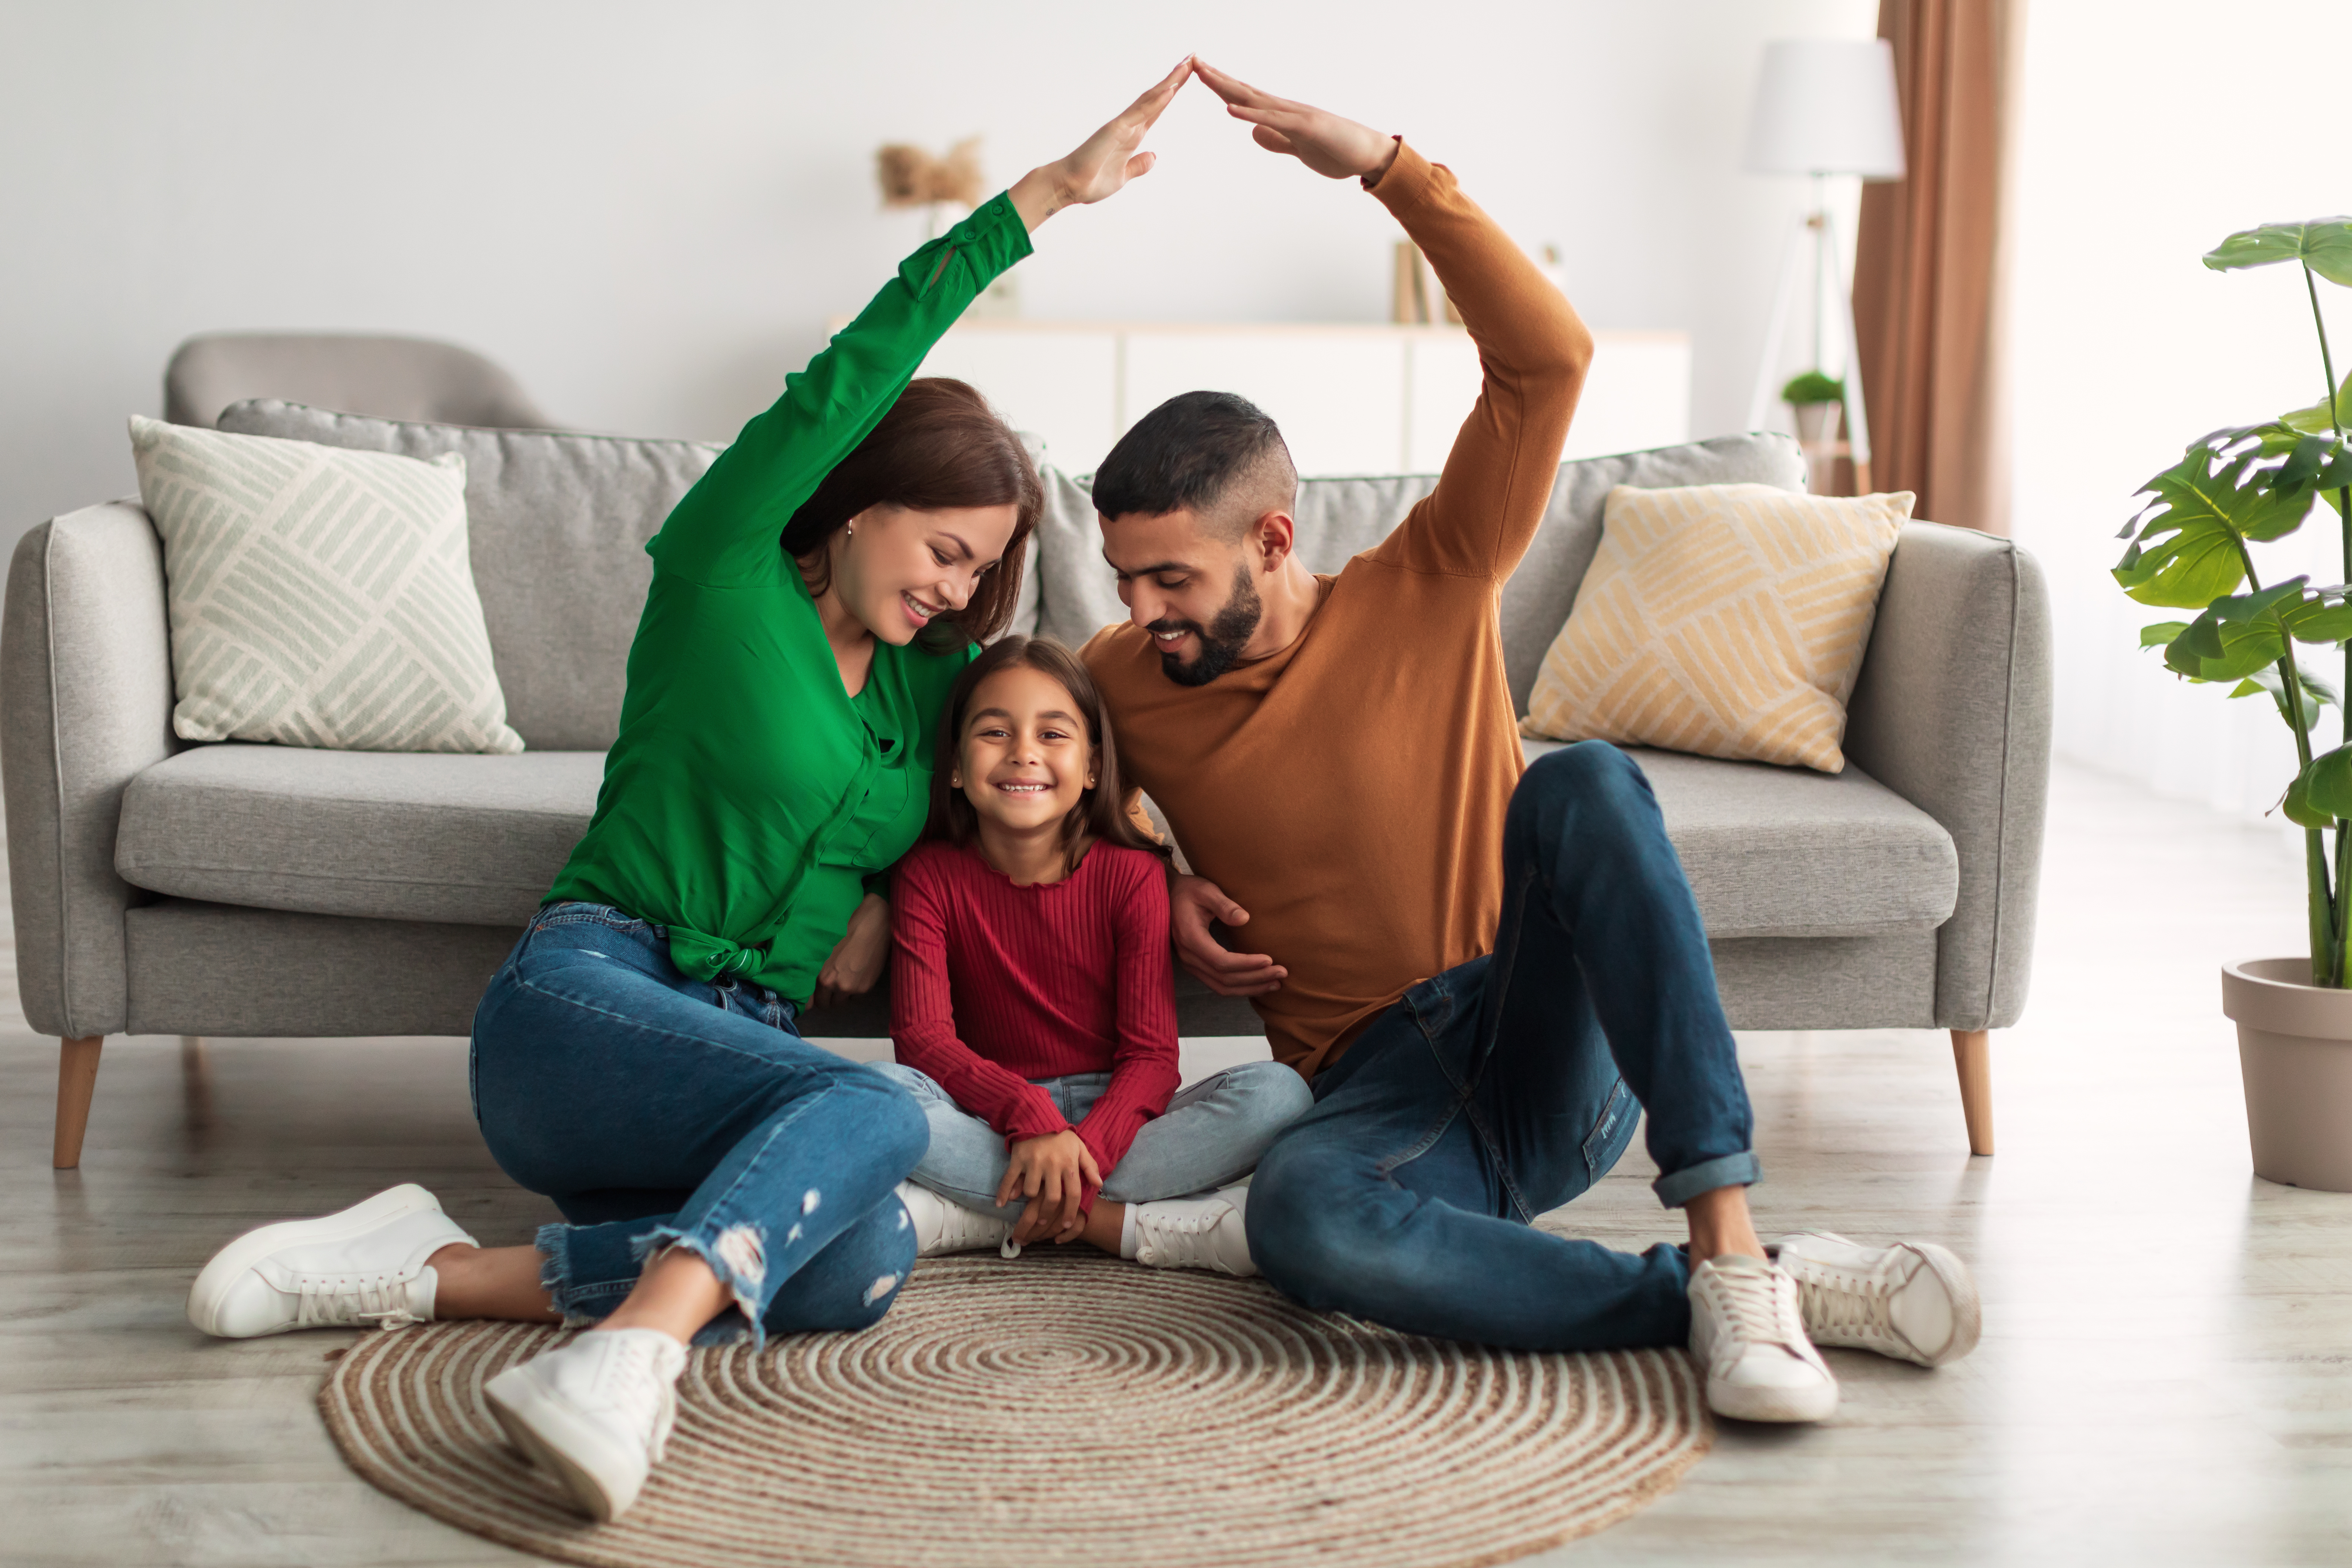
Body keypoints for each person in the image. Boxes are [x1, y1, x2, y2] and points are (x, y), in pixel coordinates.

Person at [180, 60, 1198, 1521]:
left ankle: (433, 1271)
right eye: (940, 546)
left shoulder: (927, 697)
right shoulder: (725, 572)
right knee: (893, 1126)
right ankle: (620, 1367)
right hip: (590, 1001)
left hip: (750, 1056)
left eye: (981, 568)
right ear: (853, 498)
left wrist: (1139, 878)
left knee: (854, 1265)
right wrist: (1039, 200)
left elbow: (1062, 744)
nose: (954, 586)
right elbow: (853, 364)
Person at [1079, 61, 1981, 1426]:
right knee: (1301, 1224)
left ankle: (1728, 1238)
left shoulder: (1430, 575)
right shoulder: (1122, 678)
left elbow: (1547, 357)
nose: (1139, 613)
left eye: (1168, 581)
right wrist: (1151, 879)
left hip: (1535, 1020)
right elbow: (1021, 791)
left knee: (1580, 780)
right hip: (1379, 1093)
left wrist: (1388, 167)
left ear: (1271, 539)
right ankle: (1726, 1289)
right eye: (1123, 580)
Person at [872, 635, 1314, 1273]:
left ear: (1093, 769)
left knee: (1278, 1094)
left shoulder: (1132, 875)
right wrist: (1030, 1117)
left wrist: (1088, 1144)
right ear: (956, 768)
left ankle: (980, 1215)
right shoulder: (927, 876)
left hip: (1119, 1122)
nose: (1024, 752)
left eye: (1052, 735)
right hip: (993, 1118)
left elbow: (1153, 1058)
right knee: (877, 1096)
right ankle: (1119, 1223)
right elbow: (922, 1042)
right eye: (995, 733)